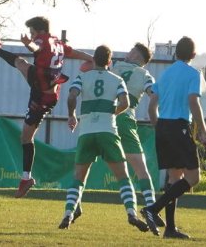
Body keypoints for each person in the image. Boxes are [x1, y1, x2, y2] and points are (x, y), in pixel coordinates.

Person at [0, 16, 93, 198]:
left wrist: (29, 44)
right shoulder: (58, 42)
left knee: (26, 138)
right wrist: (91, 58)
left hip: (42, 90)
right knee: (21, 64)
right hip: (47, 89)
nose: (31, 35)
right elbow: (73, 53)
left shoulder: (42, 40)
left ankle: (26, 178)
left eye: (31, 32)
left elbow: (37, 47)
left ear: (39, 31)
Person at [58, 45, 148, 232]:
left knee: (78, 178)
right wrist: (112, 114)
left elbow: (71, 95)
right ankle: (131, 213)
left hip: (86, 132)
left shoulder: (82, 77)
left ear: (94, 60)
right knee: (123, 176)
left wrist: (71, 115)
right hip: (108, 131)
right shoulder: (116, 79)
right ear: (109, 61)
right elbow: (125, 103)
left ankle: (68, 213)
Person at [141, 36, 206, 238]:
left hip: (163, 126)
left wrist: (159, 127)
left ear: (175, 53)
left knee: (174, 178)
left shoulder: (165, 74)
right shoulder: (192, 74)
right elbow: (193, 101)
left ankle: (170, 229)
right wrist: (203, 131)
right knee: (193, 177)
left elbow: (151, 105)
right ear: (193, 55)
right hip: (179, 126)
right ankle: (152, 209)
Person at [111, 43, 166, 231]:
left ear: (137, 56)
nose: (128, 52)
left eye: (132, 51)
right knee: (140, 168)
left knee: (86, 170)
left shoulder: (114, 66)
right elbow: (153, 94)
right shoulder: (145, 75)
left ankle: (72, 209)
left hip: (103, 120)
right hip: (125, 119)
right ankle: (151, 208)